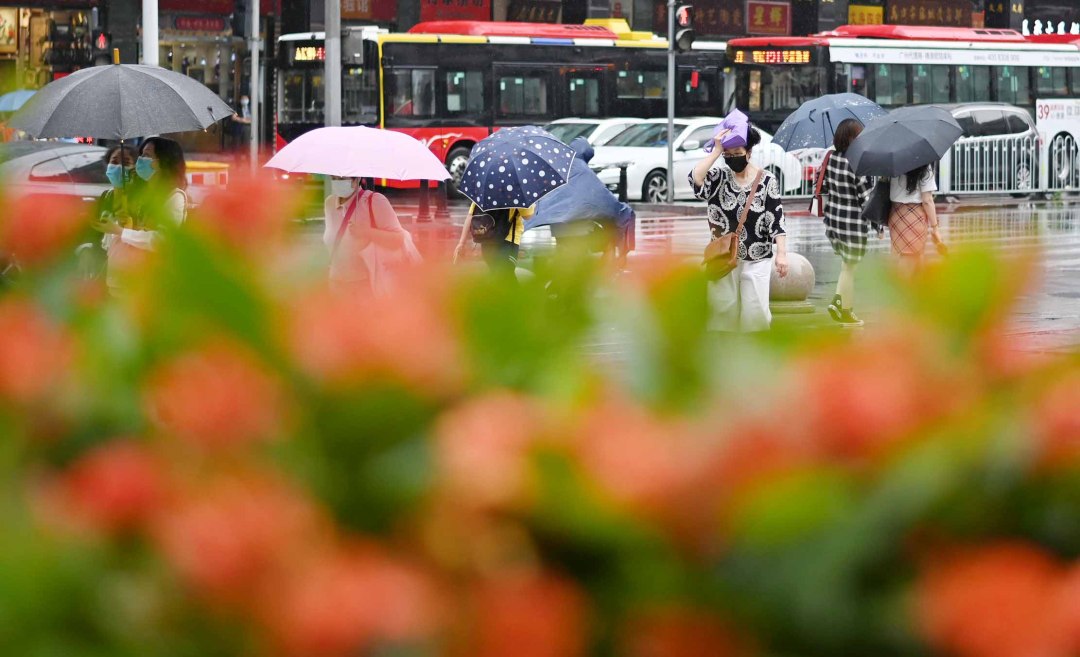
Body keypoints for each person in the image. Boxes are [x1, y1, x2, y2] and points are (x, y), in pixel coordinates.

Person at [690, 123, 788, 333]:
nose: (732, 158)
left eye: (737, 153)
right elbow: (696, 178)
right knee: (722, 312)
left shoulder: (767, 180)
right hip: (722, 257)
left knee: (755, 314)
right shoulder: (718, 177)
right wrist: (716, 150)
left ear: (749, 152)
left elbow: (777, 219)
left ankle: (754, 358)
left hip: (757, 256)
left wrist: (782, 253)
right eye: (728, 154)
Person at [93, 137, 188, 294]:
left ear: (163, 162)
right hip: (119, 280)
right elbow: (109, 242)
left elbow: (162, 240)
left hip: (151, 285)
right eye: (141, 154)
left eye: (147, 155)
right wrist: (118, 224)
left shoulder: (174, 197)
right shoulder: (135, 195)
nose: (141, 160)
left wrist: (121, 231)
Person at [323, 177, 421, 298]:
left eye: (343, 178)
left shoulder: (374, 201)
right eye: (334, 177)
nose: (337, 181)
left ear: (357, 178)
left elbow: (398, 238)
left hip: (365, 288)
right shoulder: (330, 203)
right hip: (336, 285)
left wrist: (366, 232)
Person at [820, 119, 874, 327]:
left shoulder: (831, 158)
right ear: (852, 138)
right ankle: (845, 310)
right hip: (853, 221)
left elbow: (823, 184)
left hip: (834, 220)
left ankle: (839, 303)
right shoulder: (856, 162)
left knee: (846, 265)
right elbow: (866, 197)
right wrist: (878, 223)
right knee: (850, 268)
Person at [888, 161, 942, 275]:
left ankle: (898, 287)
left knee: (898, 254)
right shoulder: (923, 164)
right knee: (910, 259)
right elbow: (927, 200)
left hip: (895, 213)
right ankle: (903, 290)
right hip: (914, 216)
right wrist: (935, 227)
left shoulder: (894, 163)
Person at [453, 203, 533, 279]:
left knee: (499, 275)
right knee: (505, 277)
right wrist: (531, 204)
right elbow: (527, 215)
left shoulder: (484, 189)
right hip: (508, 241)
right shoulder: (515, 191)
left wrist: (461, 243)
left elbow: (470, 215)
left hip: (487, 238)